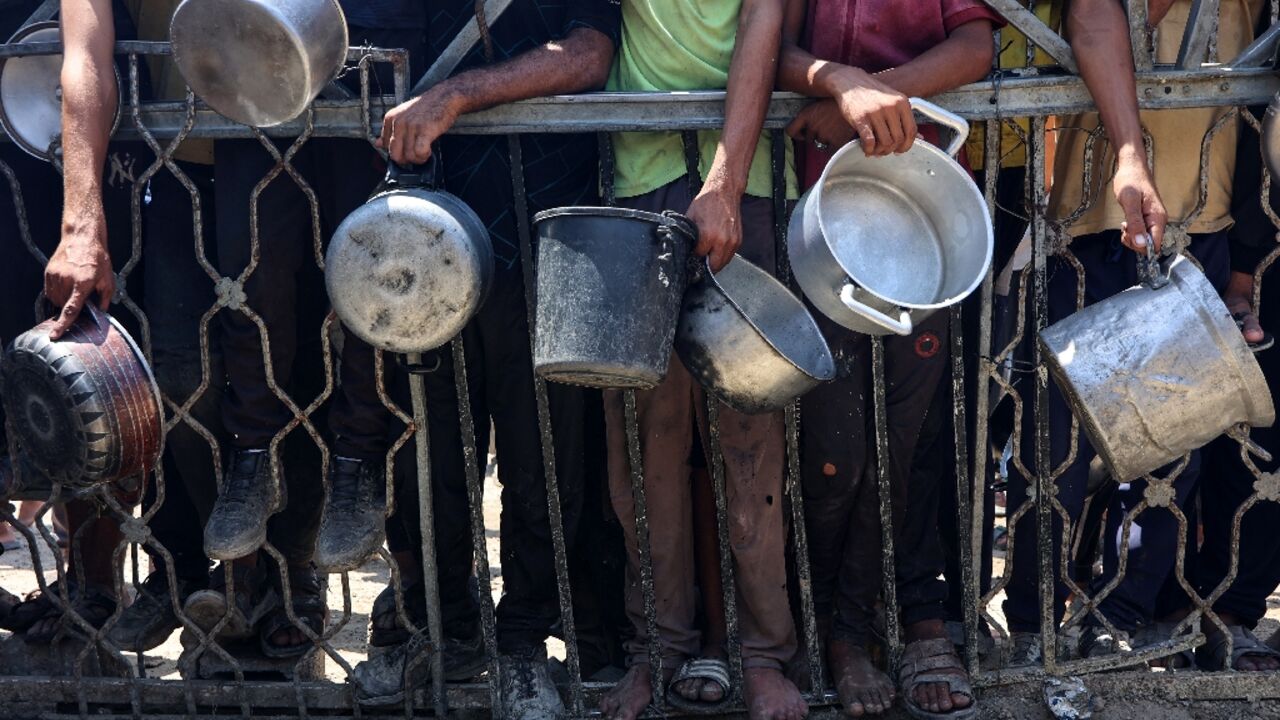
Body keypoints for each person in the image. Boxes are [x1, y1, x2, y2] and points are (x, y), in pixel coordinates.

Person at [343, 3, 621, 717]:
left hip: (536, 227)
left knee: (541, 458)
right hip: (414, 236)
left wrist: (456, 94)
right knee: (424, 454)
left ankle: (525, 643)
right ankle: (440, 630)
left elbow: (590, 52)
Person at [1002, 0, 1263, 664]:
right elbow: (1092, 17)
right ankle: (1034, 618)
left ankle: (1119, 613)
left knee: (1172, 447)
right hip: (1084, 229)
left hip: (1198, 228)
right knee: (1051, 441)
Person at [776, 1, 1000, 717]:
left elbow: (974, 44)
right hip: (820, 218)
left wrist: (880, 97)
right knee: (830, 447)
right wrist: (841, 82)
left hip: (922, 214)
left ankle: (886, 625)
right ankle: (830, 628)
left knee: (907, 441)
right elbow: (763, 44)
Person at [596, 2, 808, 719]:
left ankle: (761, 654)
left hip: (741, 181)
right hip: (633, 176)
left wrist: (724, 177)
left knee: (751, 439)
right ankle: (658, 650)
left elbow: (763, 21)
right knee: (643, 446)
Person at [0, 0, 217, 649]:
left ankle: (97, 582)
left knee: (86, 364)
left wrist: (82, 219)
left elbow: (84, 49)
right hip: (30, 146)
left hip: (92, 155)